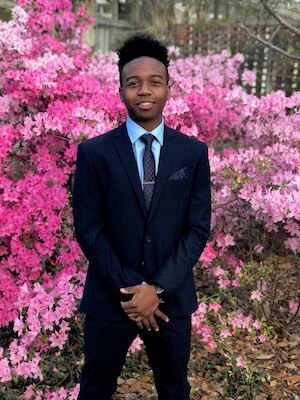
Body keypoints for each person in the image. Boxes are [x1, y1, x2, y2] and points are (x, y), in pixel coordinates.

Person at [72, 33, 211, 400]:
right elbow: (89, 229)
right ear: (121, 91)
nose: (144, 91)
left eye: (154, 82)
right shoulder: (94, 153)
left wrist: (158, 289)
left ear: (168, 88)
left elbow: (197, 228)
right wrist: (134, 290)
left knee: (174, 387)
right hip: (110, 296)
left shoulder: (192, 154)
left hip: (171, 300)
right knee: (95, 388)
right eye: (133, 83)